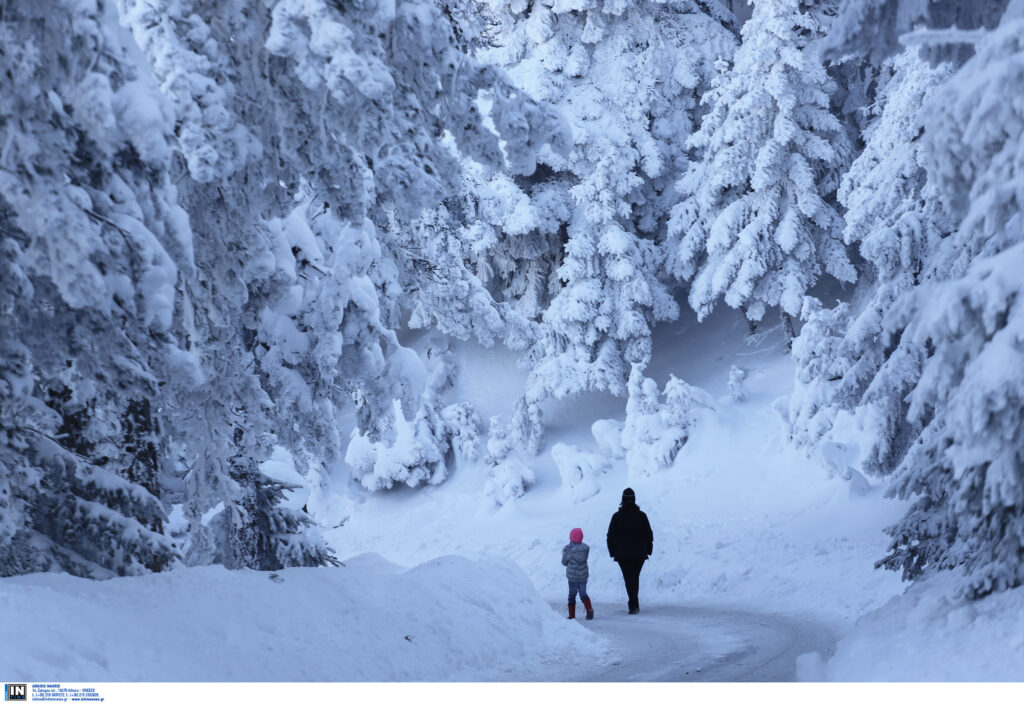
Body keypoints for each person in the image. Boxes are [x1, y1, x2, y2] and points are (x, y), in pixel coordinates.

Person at [606, 487, 653, 614]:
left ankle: (633, 604)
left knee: (629, 578)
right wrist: (648, 550)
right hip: (639, 553)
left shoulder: (616, 517)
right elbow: (649, 534)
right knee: (634, 577)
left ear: (622, 500)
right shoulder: (642, 516)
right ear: (634, 499)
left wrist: (612, 552)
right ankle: (634, 603)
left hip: (623, 554)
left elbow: (610, 536)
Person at [561, 527, 594, 620]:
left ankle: (571, 616)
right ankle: (589, 609)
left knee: (572, 595)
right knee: (583, 593)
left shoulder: (568, 549)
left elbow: (564, 562)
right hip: (583, 576)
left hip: (572, 577)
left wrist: (565, 551)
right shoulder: (586, 548)